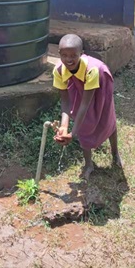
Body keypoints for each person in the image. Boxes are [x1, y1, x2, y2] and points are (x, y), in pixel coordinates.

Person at [53, 33, 122, 181]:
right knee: (83, 124)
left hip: (100, 82)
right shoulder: (59, 70)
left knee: (106, 118)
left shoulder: (93, 70)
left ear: (82, 54)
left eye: (73, 55)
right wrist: (64, 128)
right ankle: (88, 164)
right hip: (76, 83)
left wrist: (73, 133)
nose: (68, 59)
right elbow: (65, 102)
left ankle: (115, 153)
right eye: (64, 55)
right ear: (59, 54)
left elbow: (85, 104)